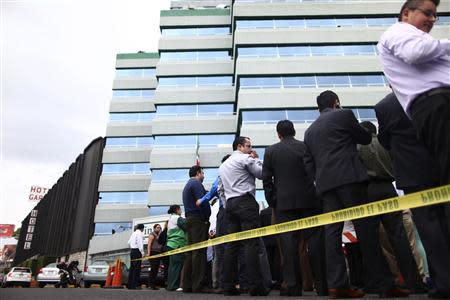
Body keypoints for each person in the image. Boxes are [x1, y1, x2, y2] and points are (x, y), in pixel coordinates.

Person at [303, 90, 409, 298]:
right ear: (336, 103)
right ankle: (384, 285)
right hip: (350, 179)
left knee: (332, 234)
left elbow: (308, 162)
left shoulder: (309, 131)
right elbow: (364, 138)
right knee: (366, 230)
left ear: (318, 108)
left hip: (326, 185)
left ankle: (337, 285)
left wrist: (319, 178)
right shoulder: (343, 115)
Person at [375, 92, 450, 298]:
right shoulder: (433, 93)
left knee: (428, 226)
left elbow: (385, 141)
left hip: (412, 170)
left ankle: (443, 281)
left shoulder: (385, 106)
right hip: (439, 163)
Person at [377, 0, 450, 184]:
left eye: (435, 15)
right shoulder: (398, 31)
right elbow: (414, 53)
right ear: (407, 13)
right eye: (427, 13)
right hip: (437, 103)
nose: (432, 19)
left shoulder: (425, 40)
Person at [357, 121, 424, 293]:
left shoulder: (357, 146)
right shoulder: (385, 144)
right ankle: (415, 282)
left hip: (368, 190)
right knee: (399, 236)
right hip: (389, 188)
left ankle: (379, 283)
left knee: (371, 239)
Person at [262, 119, 327, 296]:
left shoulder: (270, 151)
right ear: (294, 132)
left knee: (289, 244)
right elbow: (315, 169)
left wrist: (273, 202)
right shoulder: (305, 147)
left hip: (284, 203)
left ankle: (292, 285)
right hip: (310, 200)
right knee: (315, 241)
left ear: (279, 134)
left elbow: (266, 180)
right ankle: (322, 285)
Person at [219, 136, 269, 296]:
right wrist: (257, 159)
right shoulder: (245, 158)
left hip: (231, 205)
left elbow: (221, 189)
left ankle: (227, 285)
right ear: (240, 146)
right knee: (251, 243)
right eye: (248, 146)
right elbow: (262, 173)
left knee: (232, 245)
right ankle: (255, 285)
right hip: (245, 203)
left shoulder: (224, 165)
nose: (251, 149)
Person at [182, 165, 212, 293]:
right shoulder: (196, 184)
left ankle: (187, 285)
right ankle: (198, 285)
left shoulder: (187, 185)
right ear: (198, 173)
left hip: (190, 220)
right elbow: (203, 202)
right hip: (198, 220)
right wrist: (207, 215)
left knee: (191, 253)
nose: (204, 176)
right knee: (199, 253)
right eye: (203, 173)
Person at [166, 205, 187, 292]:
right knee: (176, 266)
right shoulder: (177, 218)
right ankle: (174, 286)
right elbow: (186, 226)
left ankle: (170, 285)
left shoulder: (171, 219)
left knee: (172, 266)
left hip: (171, 244)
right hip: (177, 244)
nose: (181, 211)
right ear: (177, 210)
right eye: (180, 209)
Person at [127, 223, 145, 290]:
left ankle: (130, 285)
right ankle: (135, 285)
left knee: (132, 268)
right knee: (137, 269)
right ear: (142, 228)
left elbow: (128, 242)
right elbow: (140, 243)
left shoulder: (134, 233)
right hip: (137, 251)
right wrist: (142, 253)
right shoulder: (139, 233)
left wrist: (132, 247)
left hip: (132, 251)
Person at [147, 223, 163, 290]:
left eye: (159, 227)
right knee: (153, 269)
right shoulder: (152, 234)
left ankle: (153, 285)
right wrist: (148, 253)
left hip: (158, 253)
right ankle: (151, 285)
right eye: (157, 227)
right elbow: (149, 244)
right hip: (153, 253)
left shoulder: (160, 235)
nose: (158, 228)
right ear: (154, 228)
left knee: (156, 269)